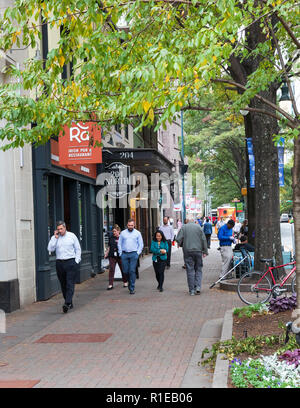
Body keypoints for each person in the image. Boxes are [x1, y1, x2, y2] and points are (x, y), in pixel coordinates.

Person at [47, 220, 81, 313]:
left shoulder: (72, 236)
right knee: (63, 284)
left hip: (70, 262)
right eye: (58, 229)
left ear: (65, 228)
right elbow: (50, 249)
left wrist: (76, 261)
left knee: (70, 283)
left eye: (61, 229)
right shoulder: (55, 238)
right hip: (59, 263)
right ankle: (69, 301)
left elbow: (78, 249)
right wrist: (54, 237)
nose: (60, 231)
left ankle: (67, 303)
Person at [176, 219, 208, 295]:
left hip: (187, 251)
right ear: (194, 221)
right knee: (198, 269)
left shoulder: (184, 227)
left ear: (186, 221)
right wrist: (205, 251)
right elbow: (204, 240)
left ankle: (192, 290)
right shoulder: (199, 227)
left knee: (190, 270)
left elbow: (178, 239)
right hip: (198, 250)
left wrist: (181, 244)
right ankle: (198, 287)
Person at [118, 219, 144, 295]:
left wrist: (137, 253)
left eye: (132, 225)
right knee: (125, 271)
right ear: (127, 225)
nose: (130, 227)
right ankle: (130, 282)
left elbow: (141, 244)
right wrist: (120, 253)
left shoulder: (137, 233)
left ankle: (132, 287)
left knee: (132, 271)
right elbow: (119, 244)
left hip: (133, 254)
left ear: (134, 225)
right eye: (129, 225)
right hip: (124, 254)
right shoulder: (123, 233)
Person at [104, 225, 128, 290]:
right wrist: (106, 253)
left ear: (119, 231)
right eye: (113, 231)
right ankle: (110, 284)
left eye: (115, 231)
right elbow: (109, 247)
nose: (114, 233)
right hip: (112, 255)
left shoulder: (122, 238)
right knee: (111, 269)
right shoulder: (111, 238)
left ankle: (125, 281)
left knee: (122, 269)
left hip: (120, 255)